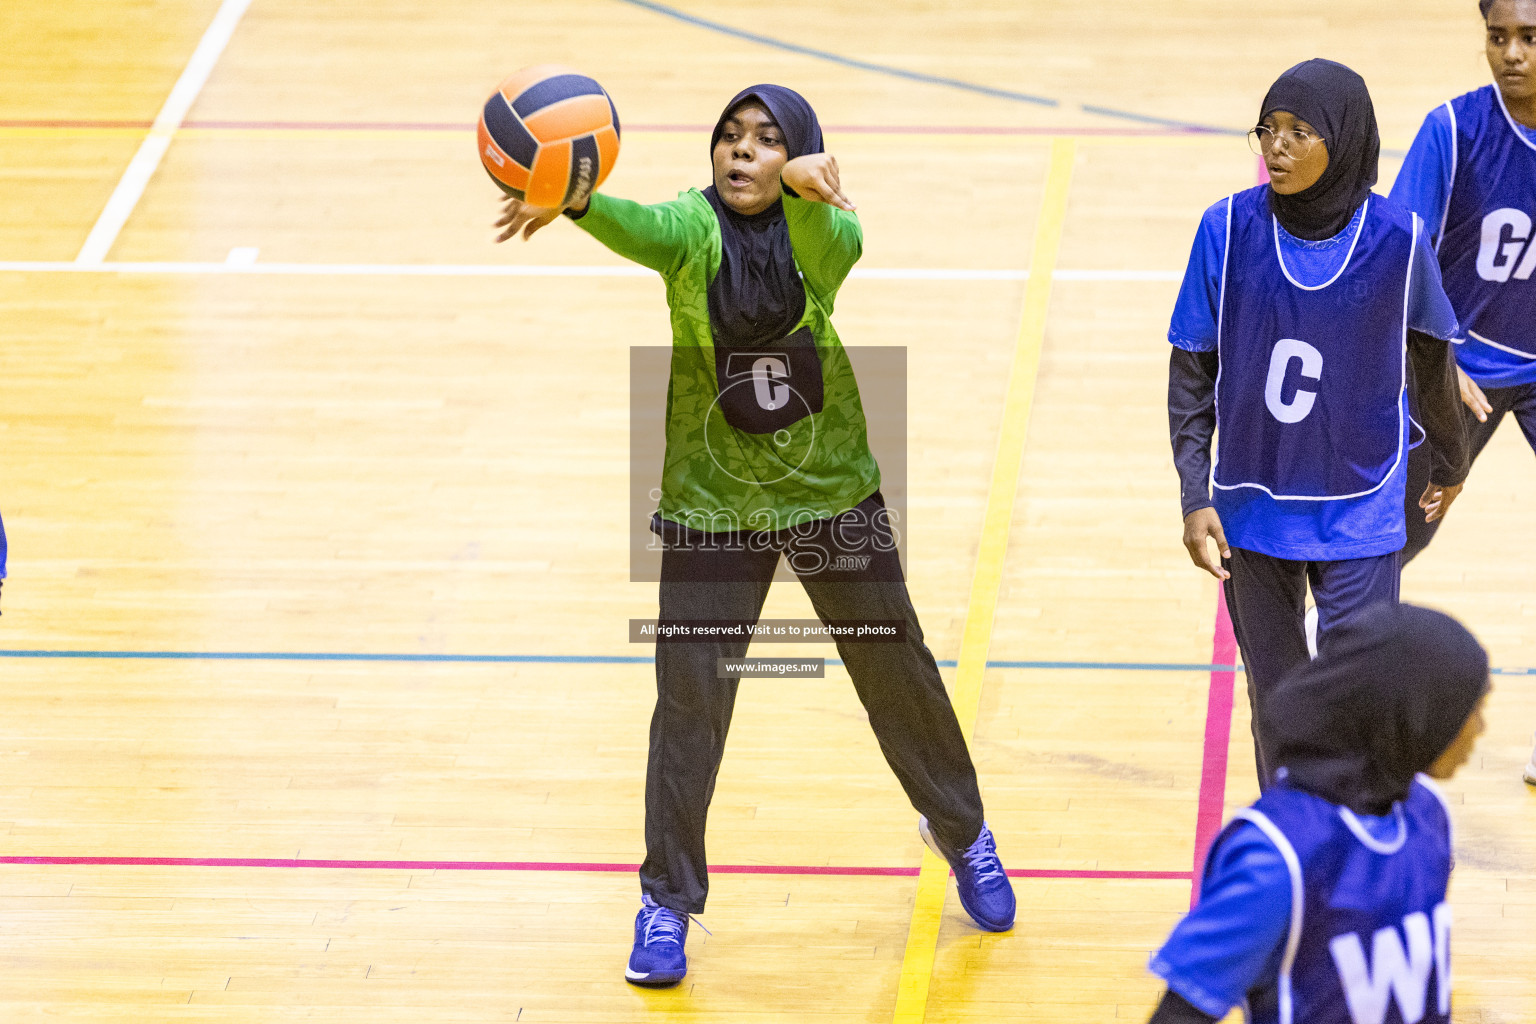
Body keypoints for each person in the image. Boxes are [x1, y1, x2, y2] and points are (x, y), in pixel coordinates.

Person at [493, 84, 1015, 987]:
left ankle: (963, 833)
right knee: (690, 704)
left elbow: (826, 243)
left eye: (768, 140)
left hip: (830, 493)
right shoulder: (691, 233)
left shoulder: (831, 233)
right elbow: (638, 226)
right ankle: (666, 899)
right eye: (730, 136)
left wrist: (811, 191)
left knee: (899, 675)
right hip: (713, 506)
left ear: (801, 155)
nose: (741, 152)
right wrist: (576, 199)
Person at [1169, 59, 1470, 786]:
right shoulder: (1226, 228)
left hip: (1361, 503)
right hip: (1253, 505)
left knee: (1362, 699)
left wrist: (1451, 464)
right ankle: (1295, 853)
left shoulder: (1399, 238)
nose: (1276, 146)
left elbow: (1431, 357)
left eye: (1299, 132)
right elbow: (1190, 371)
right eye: (1267, 130)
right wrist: (1194, 492)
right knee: (1278, 709)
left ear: (1344, 140)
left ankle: (1355, 858)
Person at [1143, 603, 1489, 1024]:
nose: (1480, 727)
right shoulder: (1277, 856)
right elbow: (1180, 1015)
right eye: (1470, 708)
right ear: (1415, 713)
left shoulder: (1427, 813)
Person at [1390, 0, 1536, 785]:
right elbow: (1398, 253)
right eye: (1497, 37)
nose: (1511, 54)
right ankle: (1338, 660)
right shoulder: (1452, 132)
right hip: (1459, 369)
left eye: (1530, 38)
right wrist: (1438, 361)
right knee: (1402, 535)